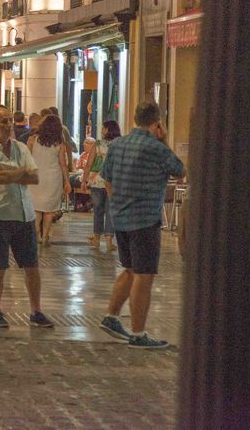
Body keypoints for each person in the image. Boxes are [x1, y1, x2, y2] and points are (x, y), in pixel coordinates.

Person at [99, 101, 185, 349]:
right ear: (158, 122)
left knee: (130, 269)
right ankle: (138, 333)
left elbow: (107, 178)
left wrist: (117, 203)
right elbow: (180, 170)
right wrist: (164, 139)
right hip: (145, 219)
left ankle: (112, 316)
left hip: (121, 218)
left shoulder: (117, 144)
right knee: (144, 276)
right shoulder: (156, 148)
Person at [0, 105, 54, 329]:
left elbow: (34, 178)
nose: (8, 125)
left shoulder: (21, 147)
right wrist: (20, 172)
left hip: (24, 214)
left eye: (10, 120)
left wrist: (10, 171)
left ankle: (36, 310)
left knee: (32, 266)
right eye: (3, 121)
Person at [27, 115, 72, 246]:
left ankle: (35, 233)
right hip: (53, 179)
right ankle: (45, 236)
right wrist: (67, 181)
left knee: (36, 208)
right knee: (49, 210)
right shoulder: (59, 144)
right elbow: (63, 164)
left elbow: (26, 158)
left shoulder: (32, 139)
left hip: (35, 177)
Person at [81, 120, 121, 252]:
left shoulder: (97, 144)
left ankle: (97, 238)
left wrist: (84, 180)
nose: (101, 131)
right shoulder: (120, 144)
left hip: (97, 180)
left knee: (98, 210)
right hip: (114, 181)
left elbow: (89, 163)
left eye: (103, 128)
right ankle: (109, 241)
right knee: (110, 211)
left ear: (108, 130)